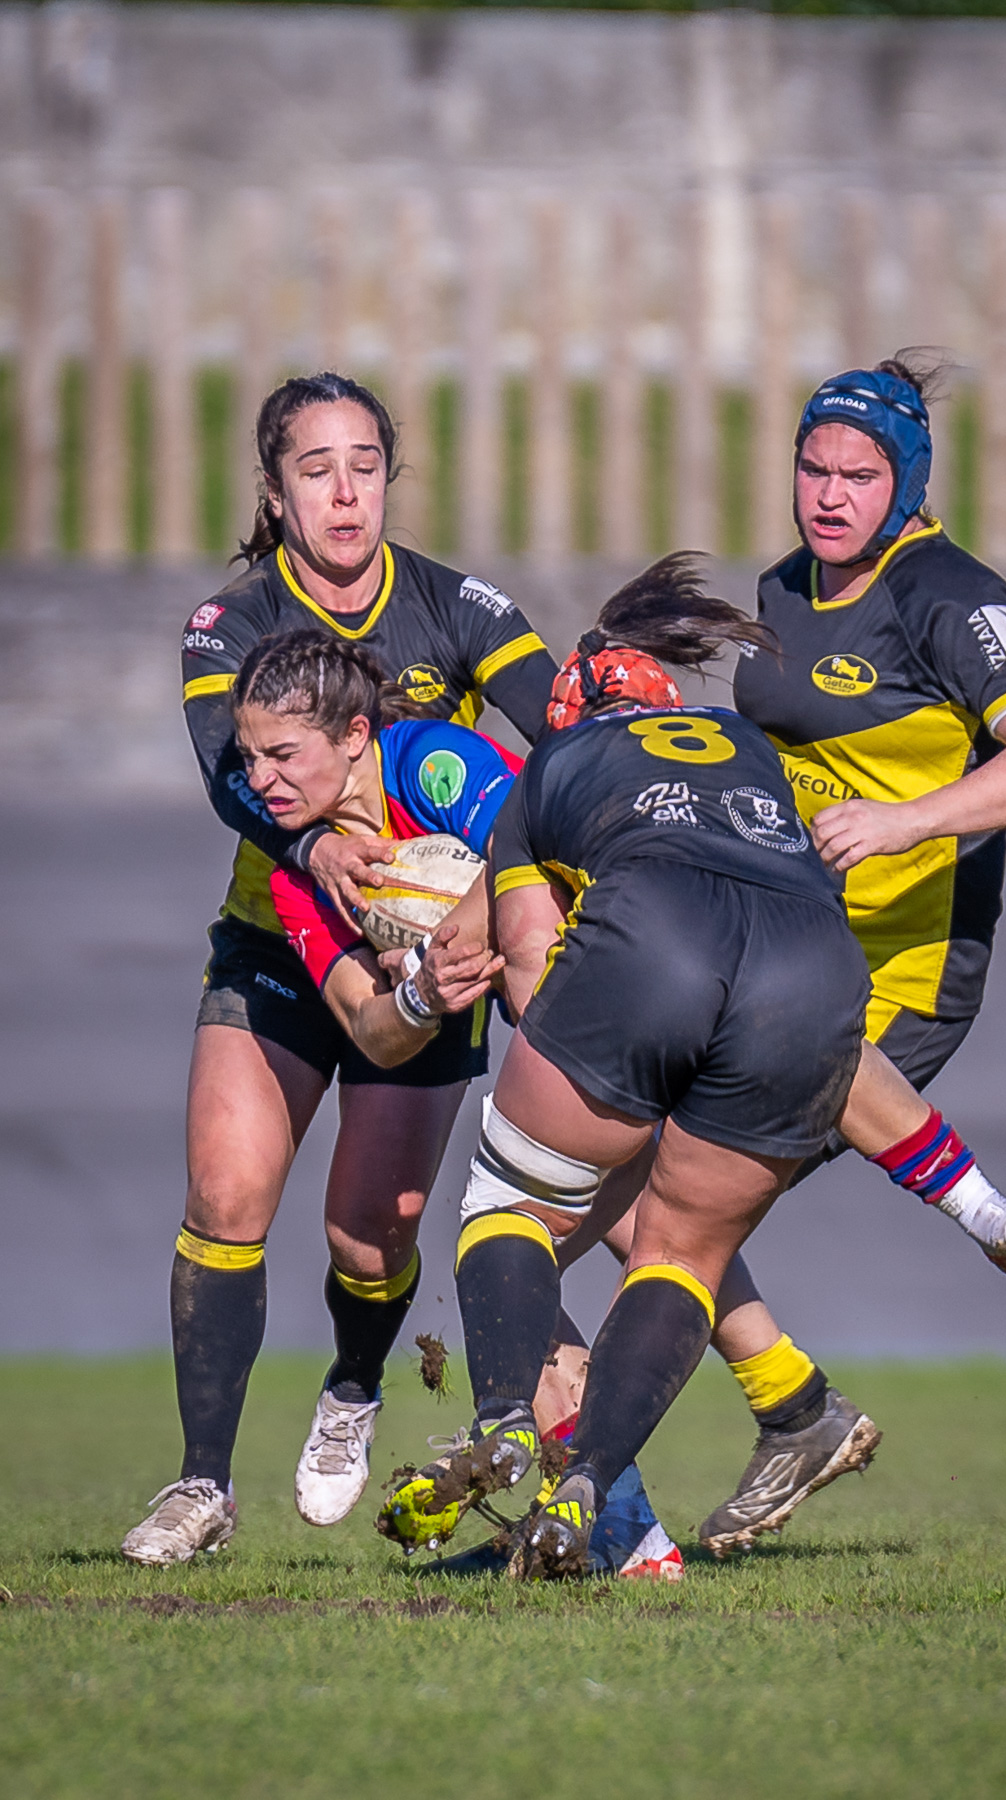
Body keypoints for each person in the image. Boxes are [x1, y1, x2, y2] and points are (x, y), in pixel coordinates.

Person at [378, 556, 1006, 1575]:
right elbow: (833, 1044)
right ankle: (591, 1485)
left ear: (571, 708)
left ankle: (504, 1421)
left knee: (508, 1206)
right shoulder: (746, 751)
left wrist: (578, 1061)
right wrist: (973, 1205)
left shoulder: (547, 770)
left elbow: (534, 967)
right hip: (811, 967)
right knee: (678, 1256)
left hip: (647, 955)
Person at [120, 371, 557, 1567]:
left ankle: (356, 1383)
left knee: (368, 1240)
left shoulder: (453, 604)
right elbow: (225, 771)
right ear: (274, 491)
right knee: (224, 1200)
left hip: (427, 957)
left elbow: (554, 735)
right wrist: (310, 843)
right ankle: (201, 1483)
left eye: (363, 463)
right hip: (276, 940)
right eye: (315, 469)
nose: (344, 490)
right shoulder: (229, 622)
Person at [689, 354, 1006, 1556]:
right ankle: (787, 1420)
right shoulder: (779, 584)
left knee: (658, 1212)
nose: (826, 494)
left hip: (896, 984)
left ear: (907, 480)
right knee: (643, 1210)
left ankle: (619, 1485)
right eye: (810, 468)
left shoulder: (947, 595)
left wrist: (905, 821)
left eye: (856, 474)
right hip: (774, 963)